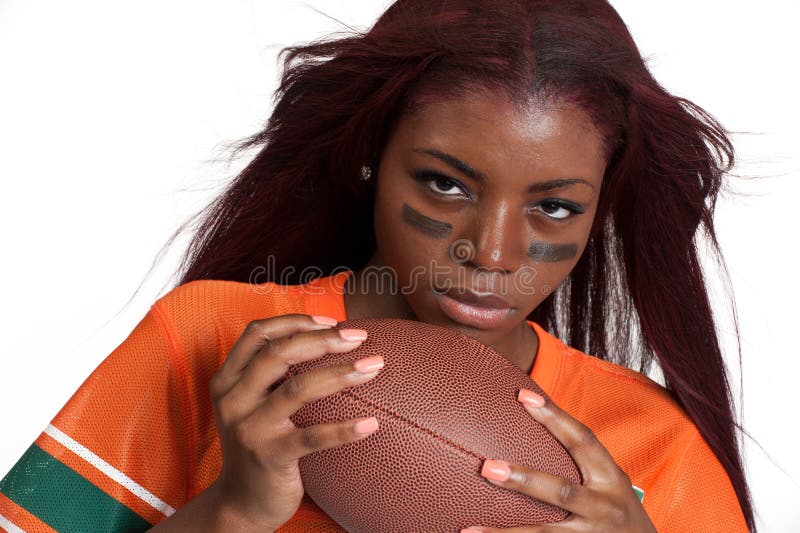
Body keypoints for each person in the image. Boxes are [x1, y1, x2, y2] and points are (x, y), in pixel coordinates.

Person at [0, 0, 755, 531]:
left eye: (553, 206)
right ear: (370, 155)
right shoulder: (210, 341)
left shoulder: (651, 448)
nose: (491, 253)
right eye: (445, 183)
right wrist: (233, 509)